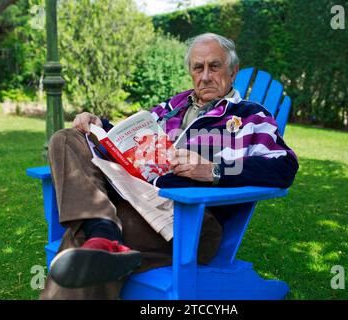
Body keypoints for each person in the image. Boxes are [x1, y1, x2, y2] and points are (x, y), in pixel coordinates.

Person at [40, 33, 298, 300]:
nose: (206, 76)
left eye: (215, 66)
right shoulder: (171, 107)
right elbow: (125, 138)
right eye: (198, 68)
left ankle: (102, 234)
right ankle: (103, 234)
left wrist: (214, 169)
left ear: (233, 72)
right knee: (66, 138)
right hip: (136, 196)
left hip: (189, 219)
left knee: (82, 239)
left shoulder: (250, 116)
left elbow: (283, 167)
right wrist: (97, 125)